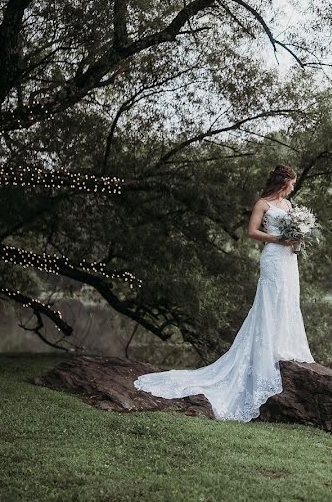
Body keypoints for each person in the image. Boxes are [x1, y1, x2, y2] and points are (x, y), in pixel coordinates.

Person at [133, 164, 316, 422]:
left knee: (287, 299)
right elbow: (252, 232)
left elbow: (293, 231)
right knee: (270, 300)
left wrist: (297, 238)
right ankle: (267, 351)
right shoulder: (263, 204)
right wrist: (278, 240)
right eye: (292, 183)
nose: (294, 187)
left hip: (289, 260)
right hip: (274, 257)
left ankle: (285, 345)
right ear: (284, 181)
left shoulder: (289, 206)